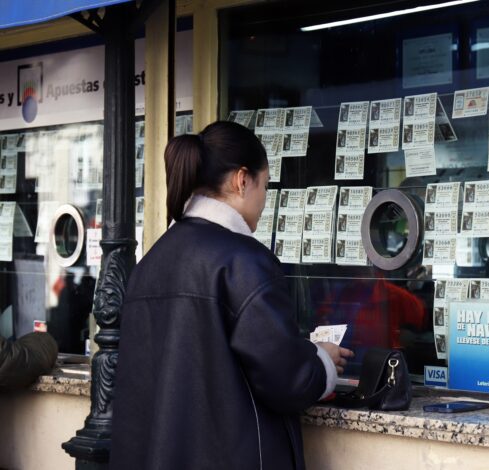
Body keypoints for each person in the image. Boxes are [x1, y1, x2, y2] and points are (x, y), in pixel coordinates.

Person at [110, 121, 353, 470]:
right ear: (242, 180)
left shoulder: (149, 263)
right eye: (265, 185)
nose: (264, 201)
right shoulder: (244, 261)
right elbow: (288, 379)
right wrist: (322, 360)